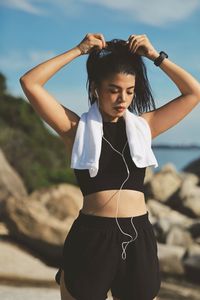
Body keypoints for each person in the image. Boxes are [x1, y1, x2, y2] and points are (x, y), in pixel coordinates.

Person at [19, 33, 200, 300]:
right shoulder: (76, 129)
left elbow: (193, 92)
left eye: (129, 91)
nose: (122, 99)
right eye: (113, 90)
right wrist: (78, 50)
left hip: (138, 236)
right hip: (93, 238)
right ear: (96, 89)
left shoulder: (144, 127)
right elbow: (30, 83)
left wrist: (155, 56)